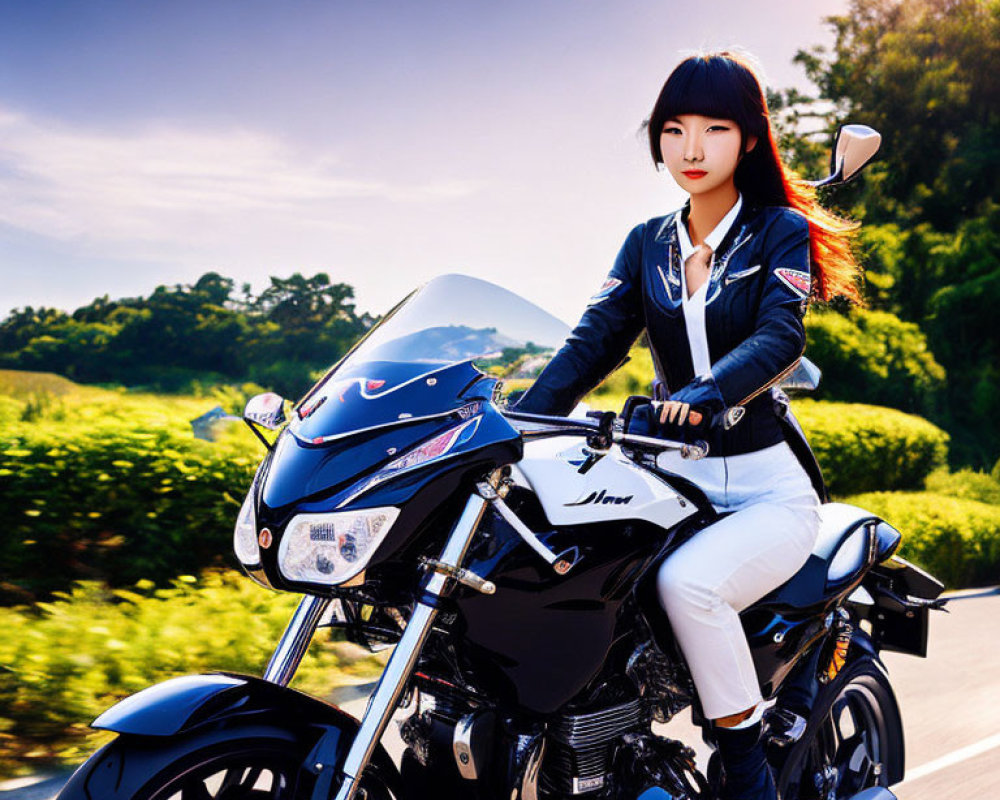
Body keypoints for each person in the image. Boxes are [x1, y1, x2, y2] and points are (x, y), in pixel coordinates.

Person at [515, 50, 862, 800]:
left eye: (714, 127)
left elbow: (780, 336)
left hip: (766, 490)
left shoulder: (778, 232)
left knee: (690, 584)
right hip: (675, 485)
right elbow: (593, 343)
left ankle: (745, 775)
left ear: (748, 139)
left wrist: (704, 393)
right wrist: (515, 420)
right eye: (674, 129)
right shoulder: (647, 243)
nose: (692, 149)